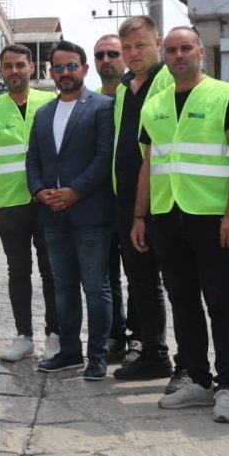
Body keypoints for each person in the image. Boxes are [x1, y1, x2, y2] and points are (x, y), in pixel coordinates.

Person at [131, 27, 229, 422]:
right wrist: (139, 216)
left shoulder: (225, 95)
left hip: (212, 217)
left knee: (218, 300)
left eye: (186, 48)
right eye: (171, 50)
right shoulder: (156, 103)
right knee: (183, 301)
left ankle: (227, 386)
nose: (179, 55)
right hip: (167, 216)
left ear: (200, 51)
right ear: (163, 56)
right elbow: (149, 163)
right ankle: (198, 380)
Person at [26, 41, 114, 379]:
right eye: (59, 67)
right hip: (52, 214)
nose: (65, 73)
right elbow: (33, 159)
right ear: (51, 72)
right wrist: (39, 192)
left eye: (71, 66)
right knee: (63, 286)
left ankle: (97, 355)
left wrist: (75, 191)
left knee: (96, 286)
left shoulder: (102, 107)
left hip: (90, 212)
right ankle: (69, 351)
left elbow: (104, 157)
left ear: (84, 69)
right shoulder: (43, 113)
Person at [111, 16, 182, 389]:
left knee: (176, 282)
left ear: (157, 41)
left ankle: (189, 363)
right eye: (127, 48)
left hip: (164, 197)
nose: (133, 54)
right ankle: (154, 353)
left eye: (140, 45)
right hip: (126, 199)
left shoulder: (170, 80)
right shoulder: (124, 87)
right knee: (140, 281)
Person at [0, 43, 59, 362]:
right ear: (1, 71)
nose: (14, 71)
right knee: (18, 271)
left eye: (20, 65)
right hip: (9, 202)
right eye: (8, 66)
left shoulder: (50, 102)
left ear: (32, 68)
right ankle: (23, 335)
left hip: (47, 201)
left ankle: (55, 334)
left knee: (52, 271)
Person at [94, 33, 135, 363]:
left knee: (140, 275)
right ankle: (114, 336)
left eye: (113, 53)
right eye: (100, 55)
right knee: (107, 276)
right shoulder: (90, 102)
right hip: (100, 205)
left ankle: (141, 337)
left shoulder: (137, 96)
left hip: (134, 201)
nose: (106, 60)